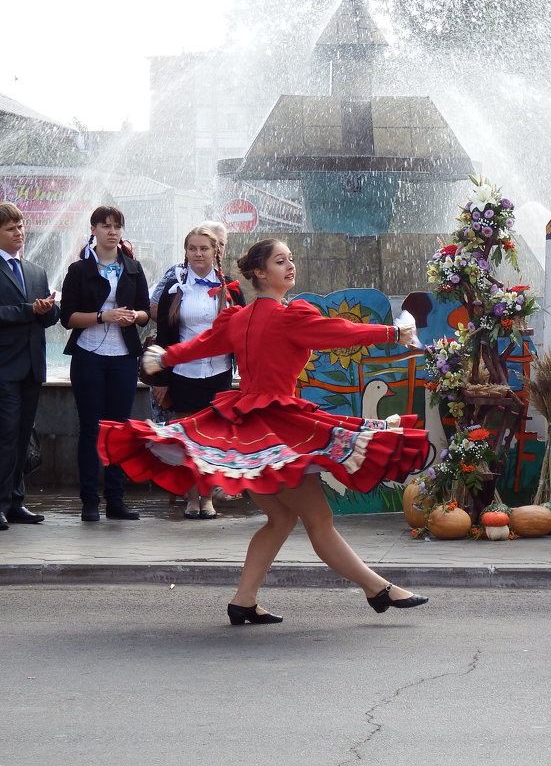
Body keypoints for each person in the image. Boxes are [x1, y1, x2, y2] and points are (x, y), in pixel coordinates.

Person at [98, 238, 430, 624]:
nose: (290, 266)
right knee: (319, 521)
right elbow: (340, 333)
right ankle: (378, 589)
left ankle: (244, 600)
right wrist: (394, 333)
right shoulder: (291, 317)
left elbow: (201, 344)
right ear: (260, 272)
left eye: (290, 259)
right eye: (279, 261)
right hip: (275, 430)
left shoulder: (238, 317)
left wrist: (165, 357)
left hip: (243, 429)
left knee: (282, 520)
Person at [59, 206, 150, 522]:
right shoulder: (79, 270)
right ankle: (88, 501)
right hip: (88, 355)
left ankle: (116, 499)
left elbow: (144, 313)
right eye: (105, 226)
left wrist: (133, 315)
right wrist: (102, 316)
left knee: (119, 429)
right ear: (93, 229)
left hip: (123, 356)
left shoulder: (133, 267)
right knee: (90, 429)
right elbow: (67, 318)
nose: (112, 232)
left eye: (117, 226)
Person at [153, 225, 245, 520]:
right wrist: (161, 381)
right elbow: (165, 337)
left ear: (216, 251)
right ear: (186, 251)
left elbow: (244, 334)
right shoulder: (175, 287)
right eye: (192, 248)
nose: (197, 254)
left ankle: (208, 498)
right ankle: (192, 498)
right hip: (183, 372)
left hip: (218, 372)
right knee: (187, 439)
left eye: (204, 248)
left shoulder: (231, 288)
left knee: (213, 439)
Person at [0, 202, 60, 530]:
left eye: (21, 226)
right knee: (5, 436)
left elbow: (49, 317)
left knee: (22, 436)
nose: (19, 232)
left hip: (32, 367)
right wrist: (28, 310)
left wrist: (49, 309)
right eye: (11, 228)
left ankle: (16, 502)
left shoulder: (35, 270)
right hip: (4, 367)